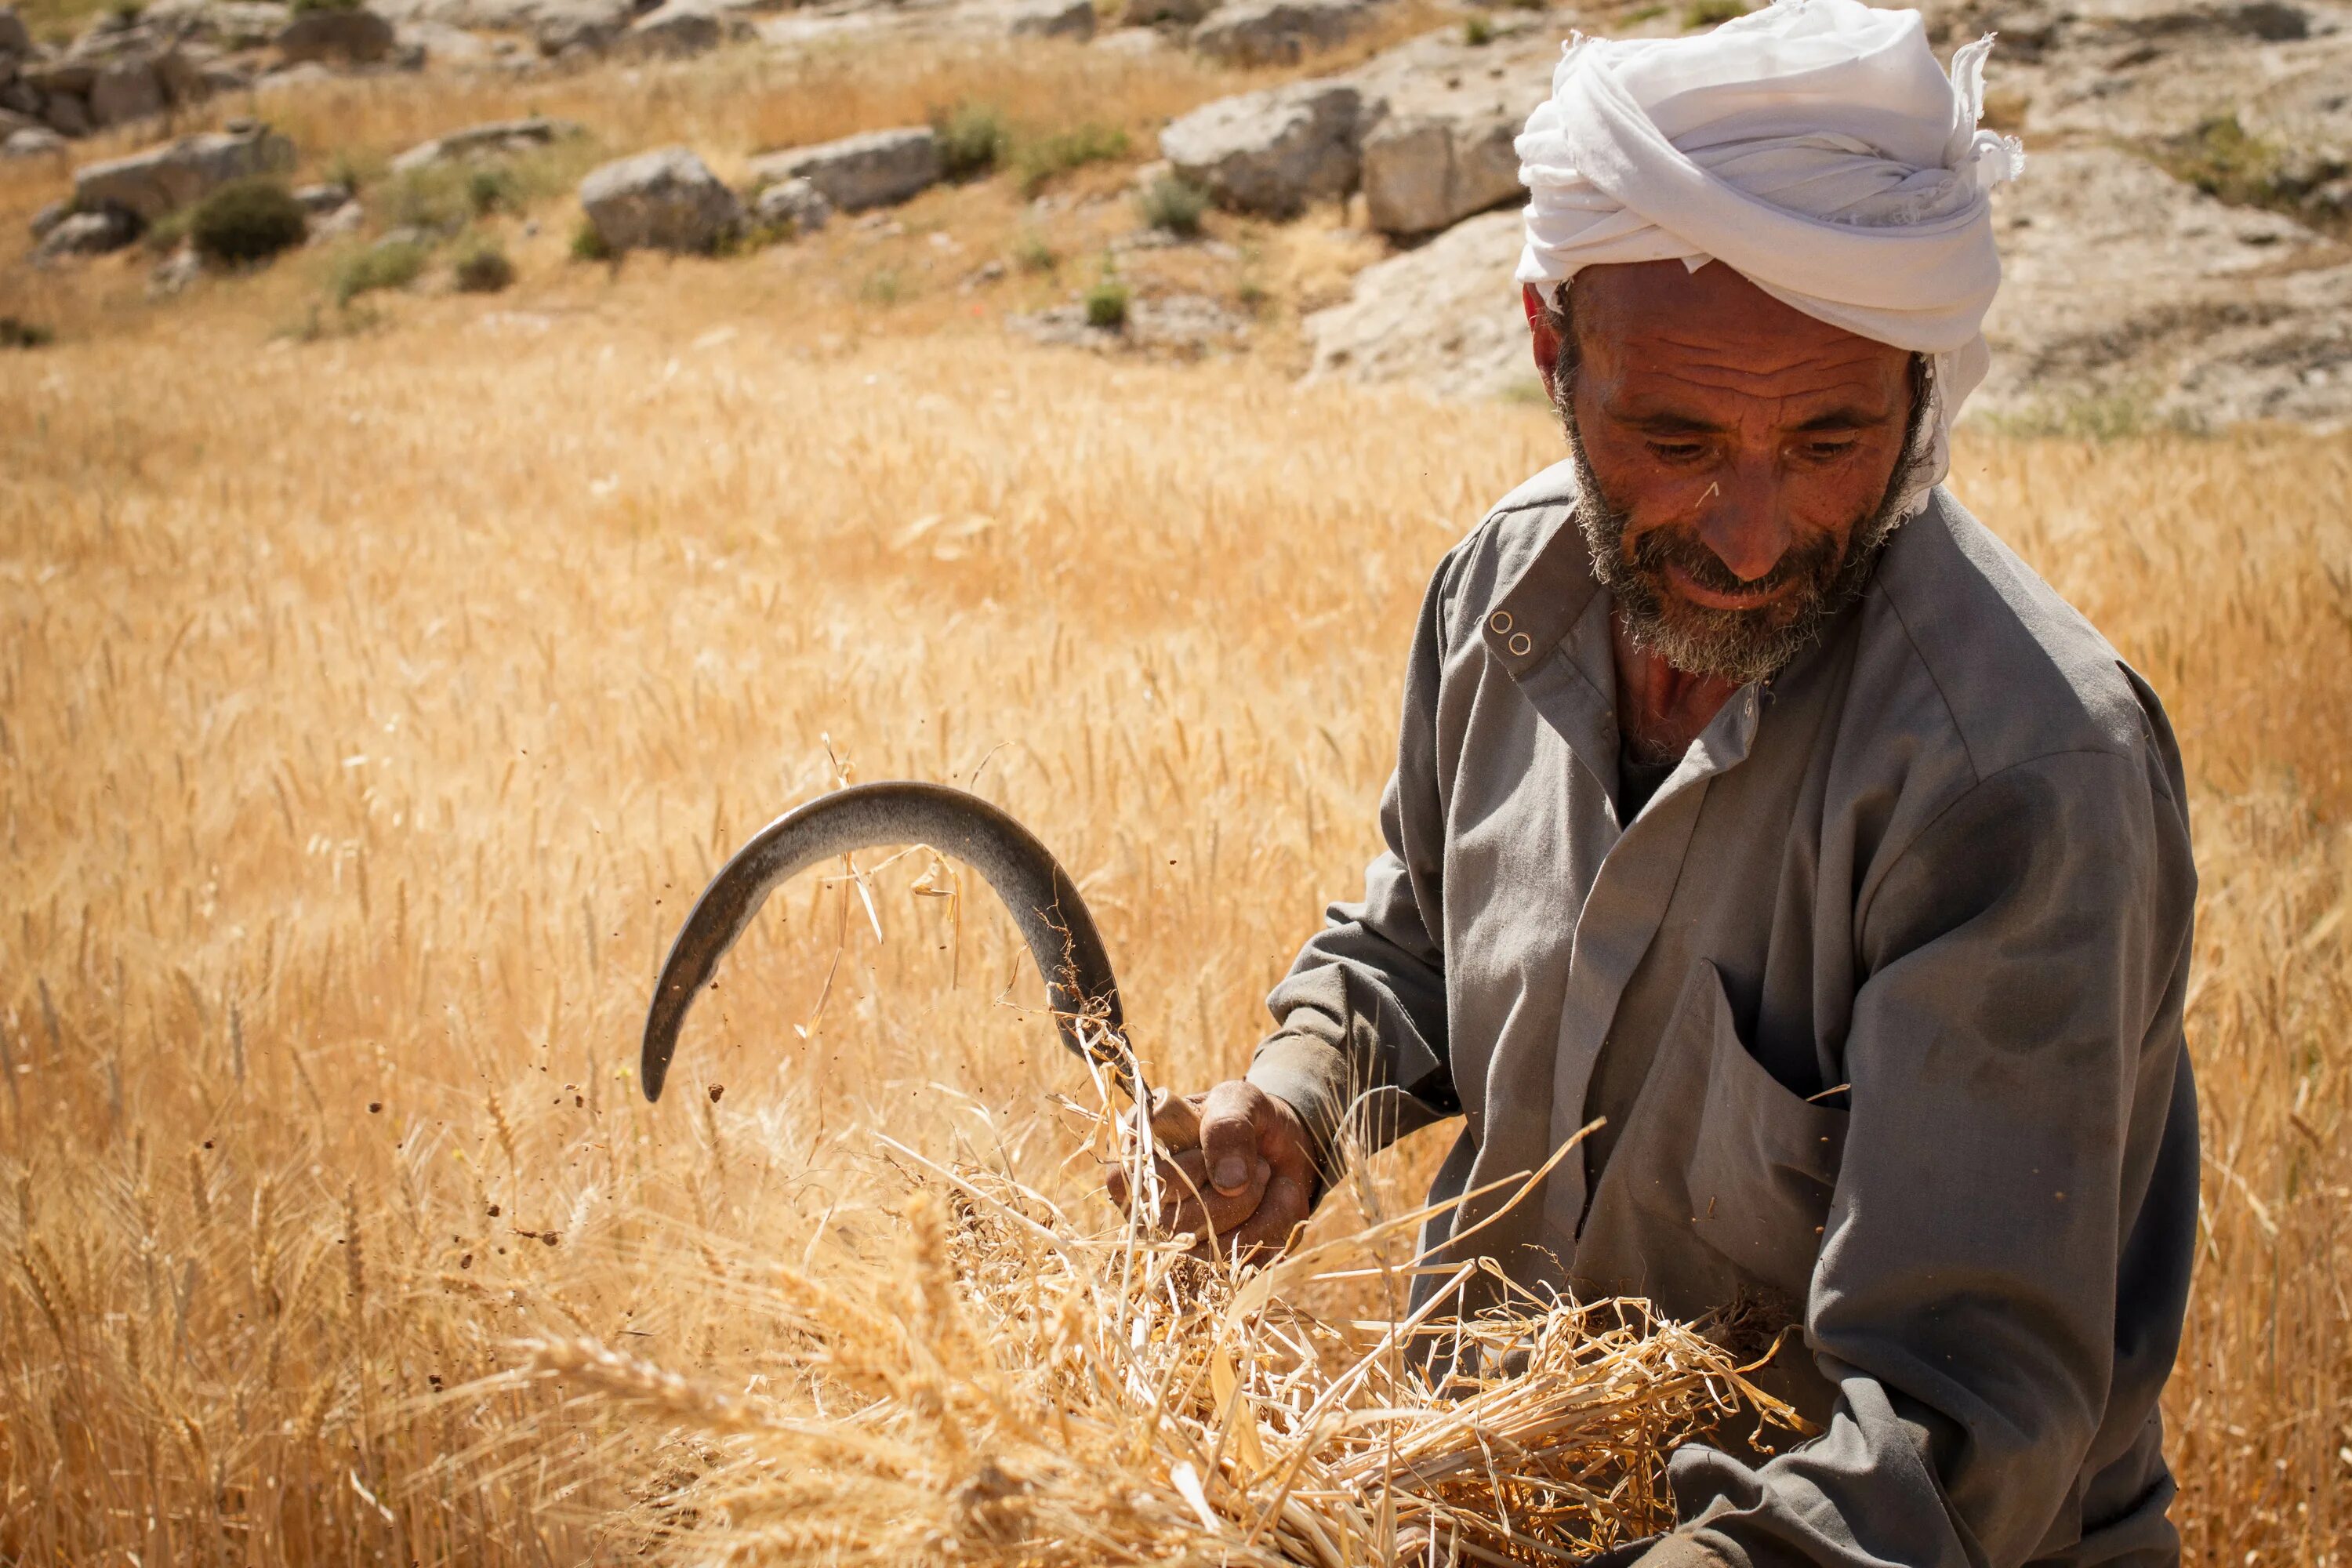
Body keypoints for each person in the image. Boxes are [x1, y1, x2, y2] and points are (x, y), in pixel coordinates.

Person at [1123, 2, 2202, 1562]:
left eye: (1832, 437)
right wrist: (1290, 1108)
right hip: (1484, 1511)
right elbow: (1423, 944)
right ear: (1555, 347)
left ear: (1920, 385)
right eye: (1678, 436)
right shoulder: (1507, 595)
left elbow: (1959, 1441)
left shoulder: (2015, 776)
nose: (1752, 533)